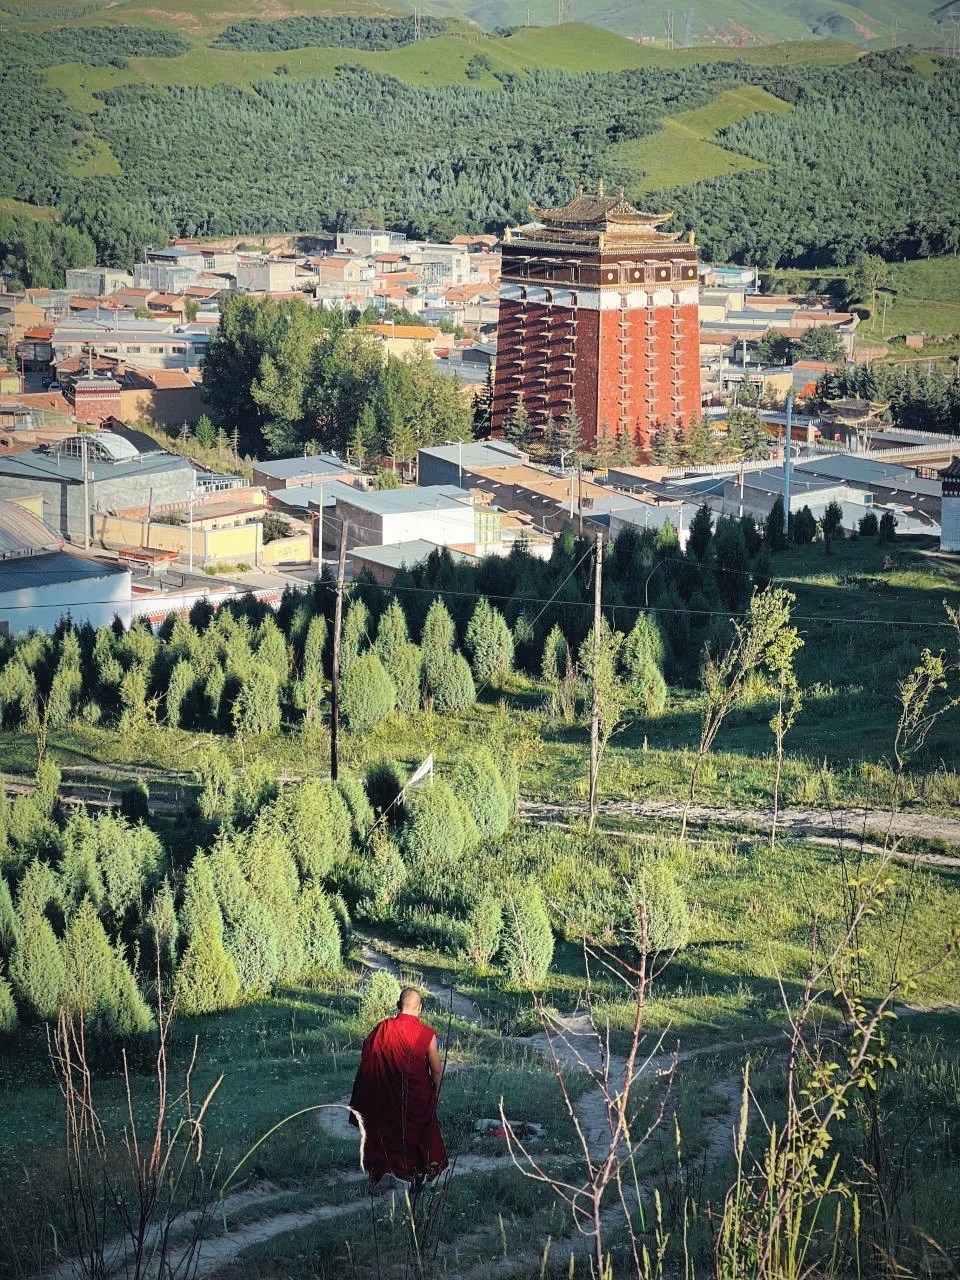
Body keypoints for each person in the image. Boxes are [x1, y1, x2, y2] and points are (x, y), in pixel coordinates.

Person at [349, 986, 447, 1187]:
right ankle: (415, 1176)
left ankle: (383, 1174)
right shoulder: (426, 1034)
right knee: (419, 1135)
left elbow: (368, 1059)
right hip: (416, 1098)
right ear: (419, 1008)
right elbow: (436, 1071)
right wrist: (434, 1094)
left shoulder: (382, 1029)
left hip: (386, 1097)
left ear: (397, 1005)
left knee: (386, 1132)